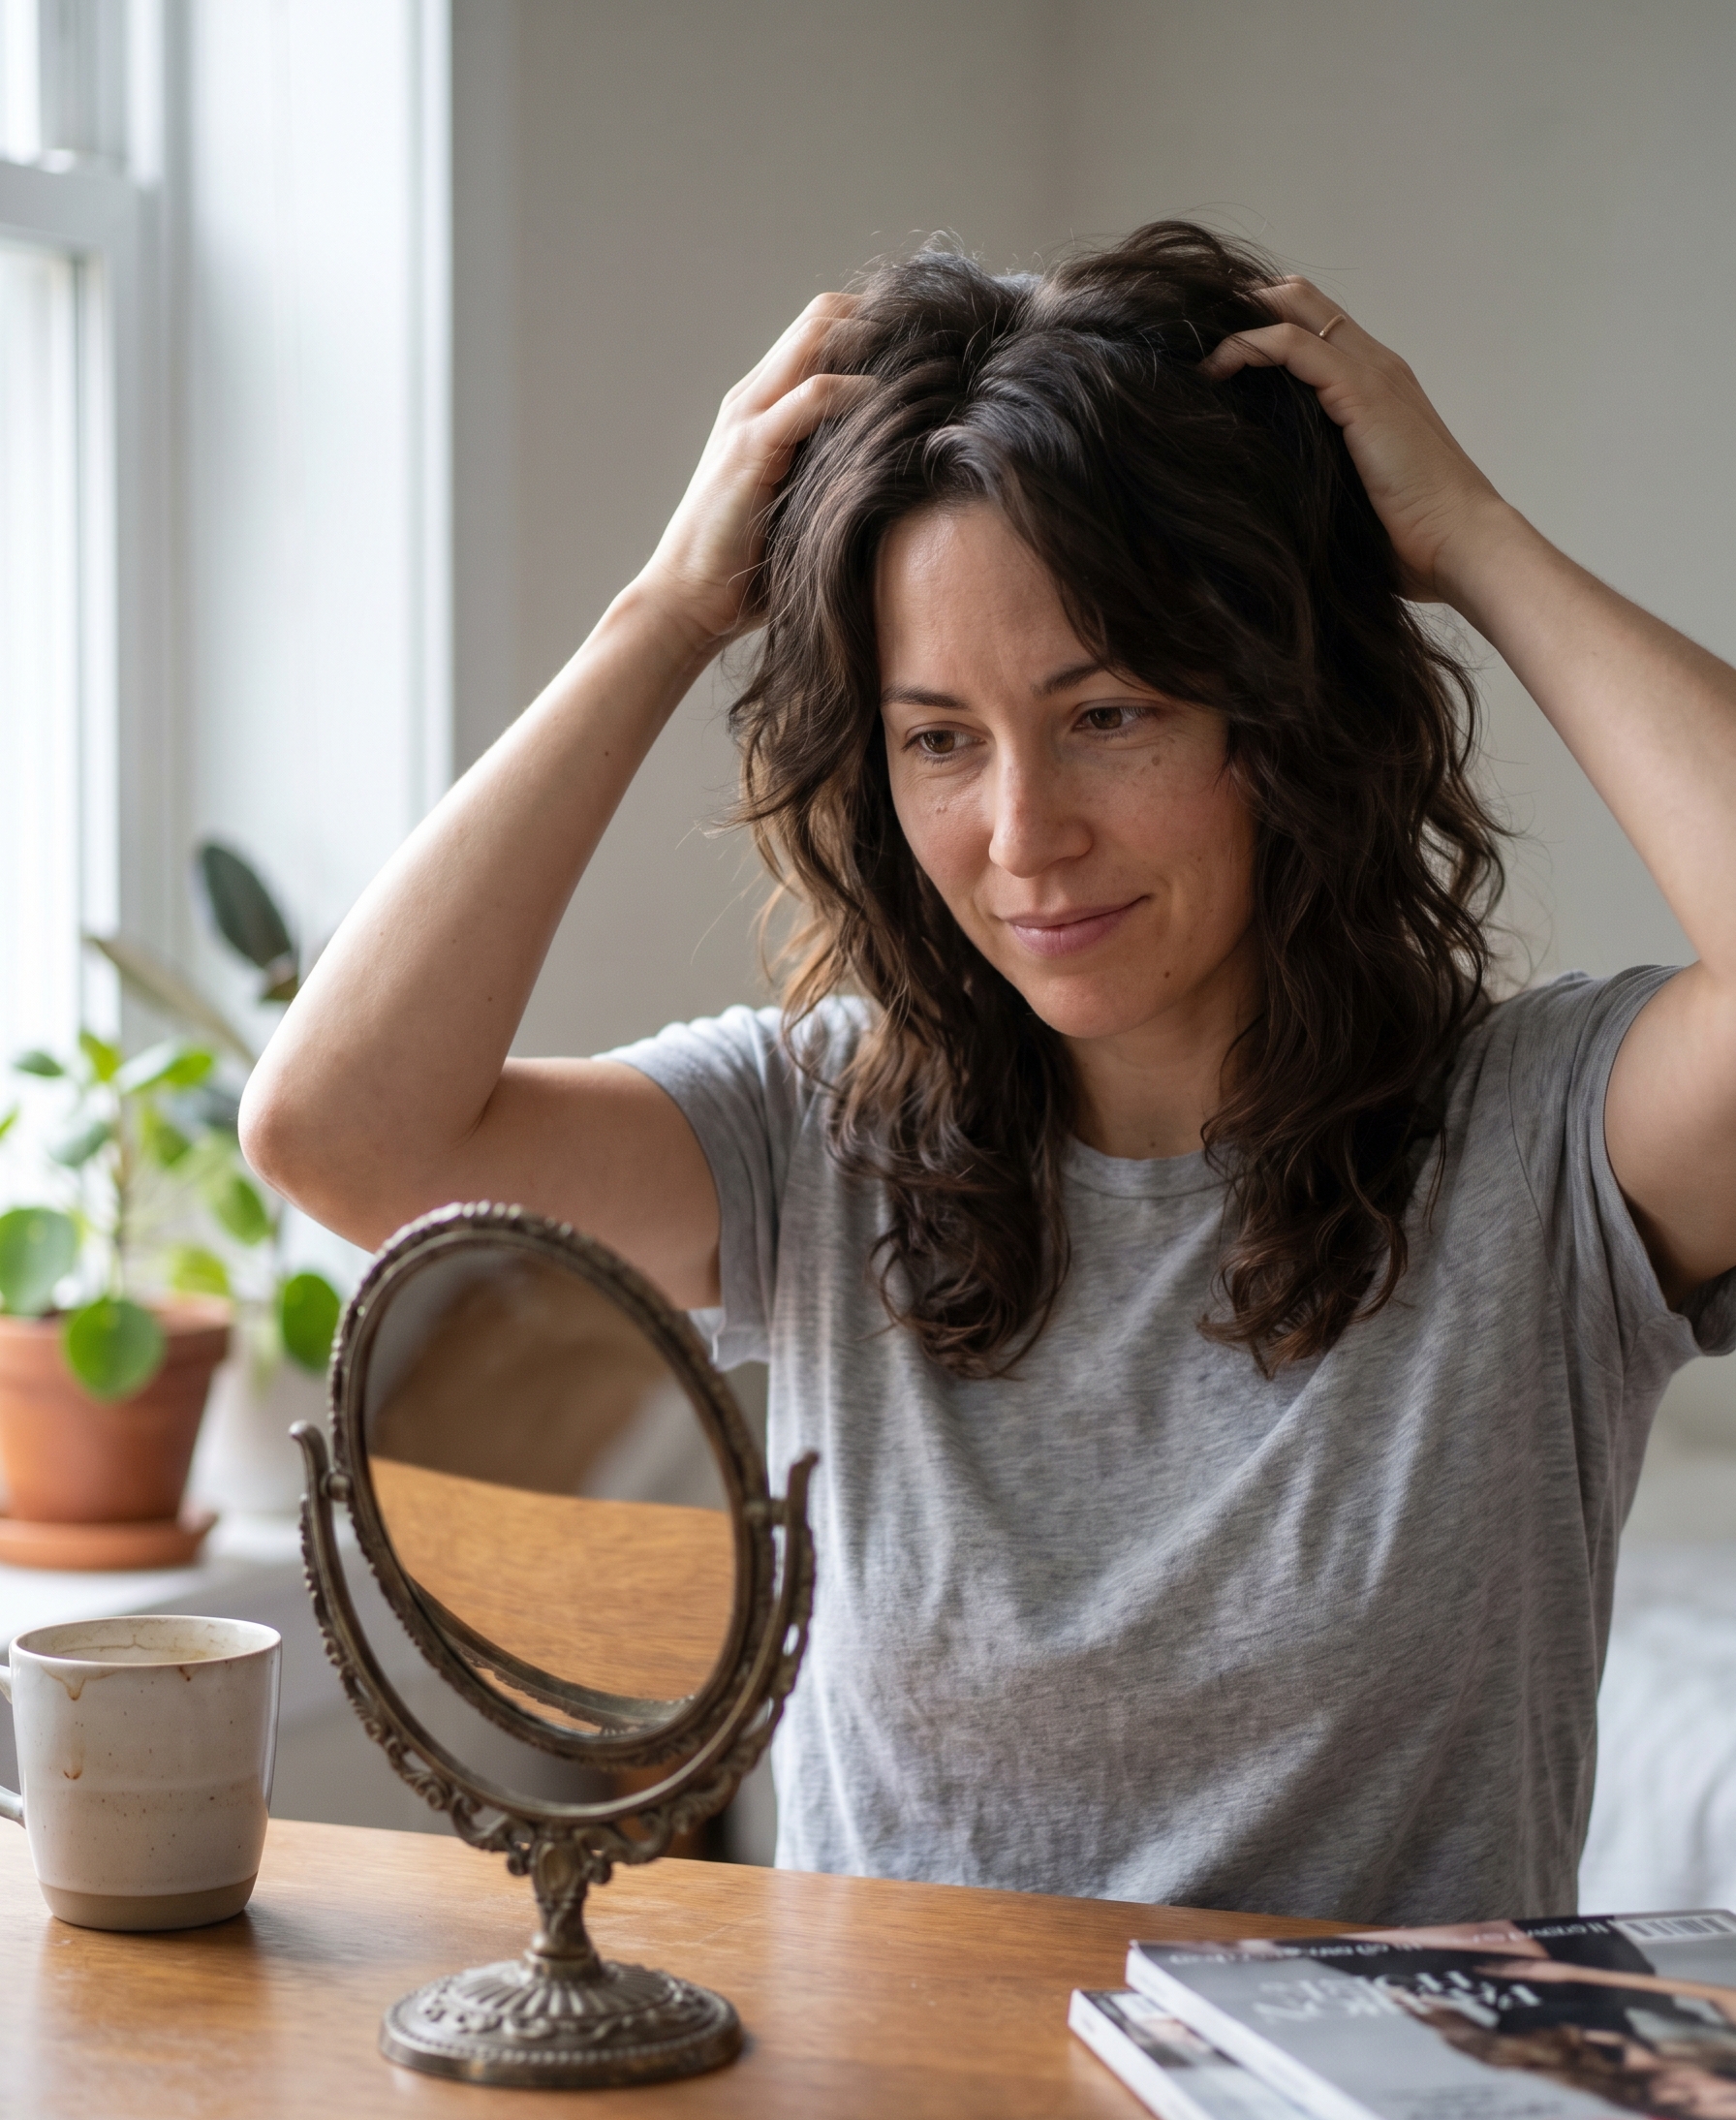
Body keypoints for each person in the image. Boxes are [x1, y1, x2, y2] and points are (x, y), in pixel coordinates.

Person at [240, 222, 1736, 1923]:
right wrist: (662, 616)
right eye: (939, 738)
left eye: (1111, 715)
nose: (1026, 840)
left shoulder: (1537, 1145)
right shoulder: (819, 1130)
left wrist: (1467, 537)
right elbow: (339, 1131)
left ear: (1288, 714)